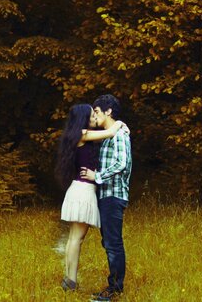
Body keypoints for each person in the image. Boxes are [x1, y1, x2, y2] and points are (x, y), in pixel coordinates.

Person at [56, 103, 128, 292]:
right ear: (82, 118)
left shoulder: (79, 135)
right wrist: (120, 123)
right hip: (83, 190)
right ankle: (70, 281)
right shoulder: (82, 134)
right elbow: (110, 132)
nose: (93, 118)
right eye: (91, 115)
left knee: (74, 238)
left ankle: (69, 280)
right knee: (76, 238)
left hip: (79, 189)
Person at [80, 94, 132, 302]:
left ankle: (115, 290)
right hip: (106, 195)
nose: (95, 116)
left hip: (113, 195)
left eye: (97, 112)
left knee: (113, 243)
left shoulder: (120, 135)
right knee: (108, 242)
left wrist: (97, 176)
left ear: (108, 111)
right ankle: (114, 287)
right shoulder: (110, 133)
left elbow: (121, 163)